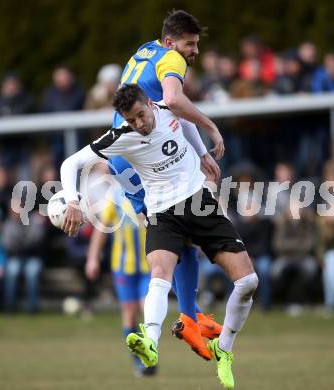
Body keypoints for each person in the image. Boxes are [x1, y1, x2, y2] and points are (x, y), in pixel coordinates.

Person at [60, 84, 258, 389]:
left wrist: (203, 153)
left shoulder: (168, 108)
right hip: (163, 214)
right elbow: (69, 163)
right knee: (160, 274)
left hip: (199, 203)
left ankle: (225, 349)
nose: (138, 123)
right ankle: (150, 342)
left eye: (141, 114)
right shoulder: (121, 137)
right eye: (131, 119)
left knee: (248, 282)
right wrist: (72, 201)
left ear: (150, 103)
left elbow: (189, 121)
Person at [112, 9, 223, 360]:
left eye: (196, 44)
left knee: (176, 238)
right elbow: (174, 100)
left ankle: (186, 316)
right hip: (144, 158)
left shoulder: (147, 50)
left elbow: (166, 110)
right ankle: (188, 318)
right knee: (181, 233)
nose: (194, 51)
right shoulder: (171, 60)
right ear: (172, 42)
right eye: (190, 44)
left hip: (125, 159)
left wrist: (200, 151)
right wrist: (210, 126)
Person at [86, 183, 156, 377]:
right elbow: (101, 229)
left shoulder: (149, 190)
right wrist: (93, 259)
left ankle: (151, 353)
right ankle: (140, 361)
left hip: (148, 265)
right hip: (123, 267)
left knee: (147, 308)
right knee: (130, 313)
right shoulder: (114, 195)